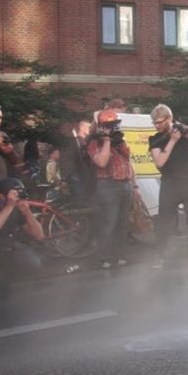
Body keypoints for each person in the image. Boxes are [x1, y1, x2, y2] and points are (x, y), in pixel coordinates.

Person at [149, 104, 188, 268]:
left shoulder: (182, 133)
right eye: (155, 122)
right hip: (169, 184)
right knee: (164, 222)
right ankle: (160, 255)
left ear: (169, 119)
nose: (157, 125)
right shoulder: (155, 139)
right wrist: (172, 141)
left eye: (160, 122)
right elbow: (160, 162)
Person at [0, 177, 47, 285]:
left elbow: (39, 236)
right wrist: (9, 206)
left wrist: (27, 213)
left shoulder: (17, 207)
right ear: (1, 196)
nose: (17, 197)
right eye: (14, 194)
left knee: (35, 264)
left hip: (9, 245)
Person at [86, 109, 136, 269]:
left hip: (125, 184)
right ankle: (105, 258)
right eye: (108, 126)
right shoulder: (94, 142)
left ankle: (121, 255)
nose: (112, 129)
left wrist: (134, 185)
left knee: (123, 223)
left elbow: (128, 163)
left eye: (113, 125)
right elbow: (101, 162)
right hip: (107, 185)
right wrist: (106, 141)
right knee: (109, 223)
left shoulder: (119, 141)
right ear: (101, 127)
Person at [58, 119, 94, 200]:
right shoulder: (73, 142)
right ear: (82, 128)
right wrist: (67, 176)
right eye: (89, 127)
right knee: (80, 199)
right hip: (76, 177)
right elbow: (66, 159)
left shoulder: (85, 142)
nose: (91, 129)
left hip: (85, 176)